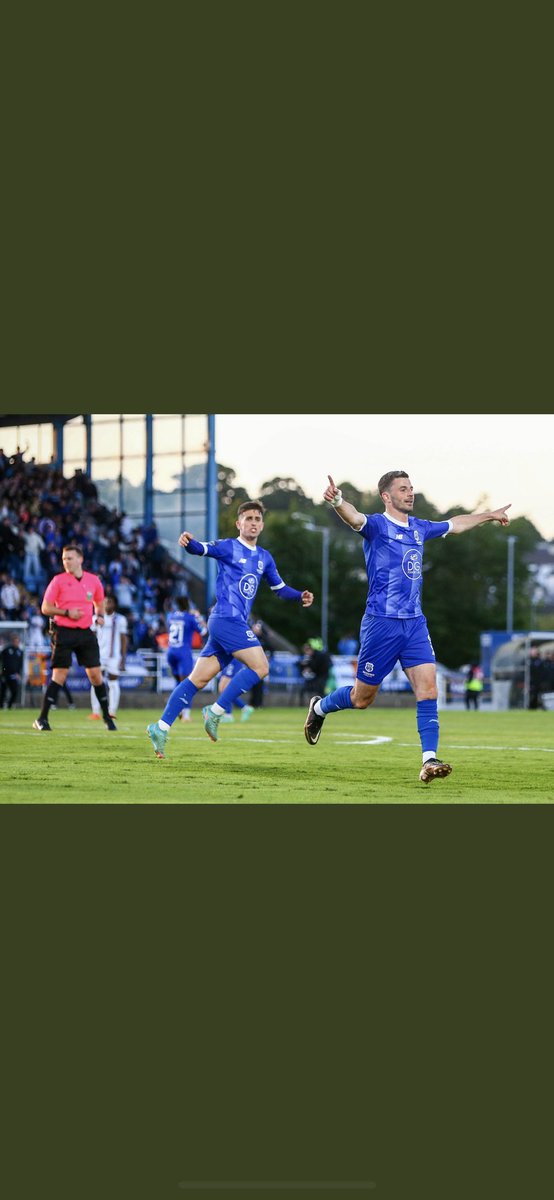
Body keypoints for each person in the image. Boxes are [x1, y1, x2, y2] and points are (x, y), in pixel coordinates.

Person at [303, 472, 511, 784]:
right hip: (381, 625)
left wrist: (489, 515)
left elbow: (456, 524)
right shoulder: (376, 525)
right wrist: (337, 501)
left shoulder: (420, 528)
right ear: (386, 496)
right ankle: (320, 708)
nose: (410, 493)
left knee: (428, 689)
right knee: (362, 699)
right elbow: (354, 518)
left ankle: (429, 760)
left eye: (411, 488)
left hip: (414, 624)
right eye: (403, 489)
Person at [146, 500, 314, 757]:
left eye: (257, 519)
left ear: (262, 525)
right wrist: (188, 542)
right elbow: (201, 548)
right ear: (239, 524)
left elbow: (279, 589)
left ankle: (160, 727)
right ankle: (214, 711)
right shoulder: (228, 547)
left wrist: (299, 595)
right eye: (248, 519)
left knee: (197, 679)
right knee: (261, 667)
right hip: (226, 619)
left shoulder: (264, 558)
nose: (253, 523)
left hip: (229, 625)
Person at [33, 544, 116, 732]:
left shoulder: (93, 580)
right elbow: (45, 608)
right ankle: (42, 719)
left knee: (95, 674)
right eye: (64, 559)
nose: (66, 562)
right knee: (59, 675)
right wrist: (66, 612)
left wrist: (100, 616)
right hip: (63, 631)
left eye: (69, 558)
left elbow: (99, 602)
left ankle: (107, 718)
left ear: (80, 559)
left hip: (85, 632)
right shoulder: (58, 581)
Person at [165, 597, 206, 721]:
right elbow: (204, 631)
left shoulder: (171, 616)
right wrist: (199, 617)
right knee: (188, 684)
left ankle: (175, 708)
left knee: (178, 683)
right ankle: (186, 714)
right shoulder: (190, 617)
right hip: (183, 652)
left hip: (171, 651)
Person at [89, 595, 128, 721]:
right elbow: (91, 637)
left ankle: (112, 711)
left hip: (114, 656)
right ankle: (95, 712)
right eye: (105, 602)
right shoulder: (95, 619)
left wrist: (123, 657)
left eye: (109, 602)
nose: (107, 604)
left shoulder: (120, 619)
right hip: (98, 655)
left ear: (114, 604)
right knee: (95, 682)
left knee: (113, 682)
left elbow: (123, 639)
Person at [217, 658, 255, 723]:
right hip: (227, 658)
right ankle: (244, 707)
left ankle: (228, 715)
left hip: (233, 658)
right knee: (222, 689)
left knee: (225, 688)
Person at [0, 634, 23, 709]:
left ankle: (9, 706)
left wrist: (18, 673)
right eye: (15, 641)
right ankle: (1, 706)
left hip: (14, 675)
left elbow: (20, 664)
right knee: (3, 691)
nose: (16, 643)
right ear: (13, 642)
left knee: (14, 691)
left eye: (18, 642)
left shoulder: (20, 652)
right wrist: (1, 670)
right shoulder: (6, 650)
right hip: (5, 674)